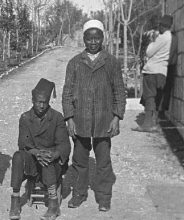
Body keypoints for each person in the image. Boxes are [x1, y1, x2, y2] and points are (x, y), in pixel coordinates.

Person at [62, 20, 126, 212]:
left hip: (103, 121)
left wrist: (116, 117)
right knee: (80, 161)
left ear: (102, 38)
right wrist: (69, 118)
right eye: (89, 38)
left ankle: (104, 197)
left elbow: (119, 92)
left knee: (104, 162)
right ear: (84, 39)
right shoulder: (74, 63)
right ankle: (79, 194)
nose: (93, 42)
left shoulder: (111, 62)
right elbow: (66, 93)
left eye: (97, 37)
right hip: (80, 120)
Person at [9, 78, 71, 220]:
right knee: (18, 156)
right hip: (33, 160)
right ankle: (15, 200)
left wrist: (54, 154)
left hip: (52, 163)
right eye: (38, 102)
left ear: (48, 102)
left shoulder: (57, 117)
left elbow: (64, 144)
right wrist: (37, 153)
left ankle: (53, 205)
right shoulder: (25, 118)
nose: (42, 106)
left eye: (45, 102)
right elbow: (23, 143)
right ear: (33, 100)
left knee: (47, 157)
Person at [133, 15, 173, 132]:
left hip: (152, 71)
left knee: (149, 97)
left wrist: (152, 41)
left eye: (160, 25)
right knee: (157, 98)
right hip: (163, 72)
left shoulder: (162, 38)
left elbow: (149, 52)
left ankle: (147, 125)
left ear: (162, 26)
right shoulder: (171, 38)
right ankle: (155, 124)